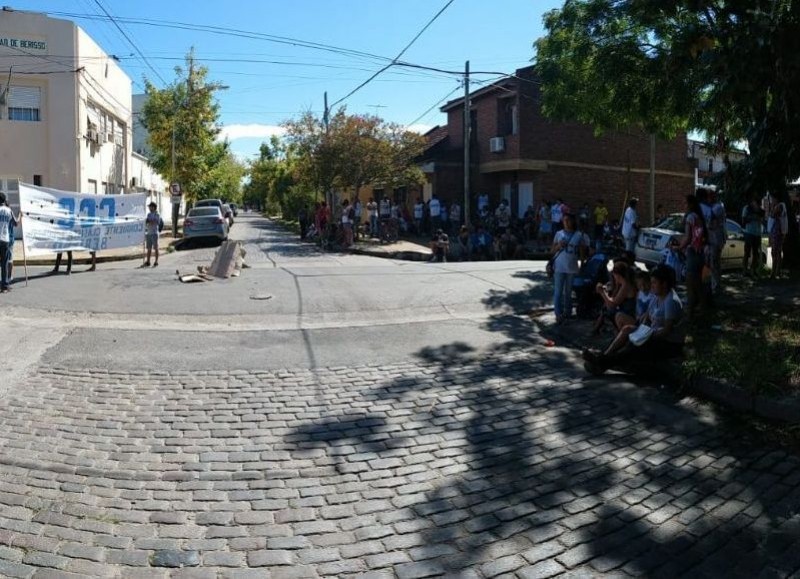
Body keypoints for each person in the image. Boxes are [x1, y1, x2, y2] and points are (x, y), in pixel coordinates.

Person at [585, 264, 684, 370]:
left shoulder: (671, 301)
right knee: (627, 330)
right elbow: (647, 315)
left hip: (667, 343)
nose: (652, 285)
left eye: (654, 282)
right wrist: (640, 326)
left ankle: (602, 362)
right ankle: (604, 357)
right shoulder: (657, 296)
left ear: (664, 284)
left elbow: (666, 331)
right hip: (652, 333)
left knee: (633, 346)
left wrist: (646, 335)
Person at [551, 213, 589, 324]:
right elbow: (552, 250)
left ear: (573, 221)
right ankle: (558, 314)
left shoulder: (578, 235)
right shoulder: (559, 234)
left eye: (568, 220)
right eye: (564, 220)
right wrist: (558, 246)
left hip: (572, 267)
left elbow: (582, 251)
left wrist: (582, 264)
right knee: (558, 291)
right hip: (559, 266)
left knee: (568, 291)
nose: (566, 222)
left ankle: (567, 312)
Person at [679, 194, 707, 317]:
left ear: (690, 204)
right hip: (700, 253)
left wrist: (678, 247)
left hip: (692, 252)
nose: (683, 206)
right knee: (698, 284)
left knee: (691, 284)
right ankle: (701, 308)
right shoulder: (698, 216)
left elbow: (688, 237)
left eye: (685, 203)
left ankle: (690, 312)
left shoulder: (690, 217)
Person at [593, 261, 637, 334]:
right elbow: (614, 297)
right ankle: (596, 329)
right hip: (623, 310)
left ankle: (598, 330)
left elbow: (613, 304)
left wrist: (602, 292)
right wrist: (616, 286)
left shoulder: (626, 285)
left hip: (628, 314)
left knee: (609, 309)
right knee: (606, 306)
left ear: (618, 275)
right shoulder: (622, 284)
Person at [768, 191, 789, 279]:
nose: (772, 200)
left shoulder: (780, 206)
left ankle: (774, 272)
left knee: (775, 252)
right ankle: (777, 271)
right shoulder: (782, 206)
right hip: (777, 231)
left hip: (777, 231)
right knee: (777, 252)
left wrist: (772, 207)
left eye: (772, 199)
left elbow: (772, 214)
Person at [741, 194, 764, 275]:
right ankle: (744, 270)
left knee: (755, 253)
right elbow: (743, 221)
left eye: (758, 203)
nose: (757, 204)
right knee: (747, 252)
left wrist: (760, 218)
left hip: (757, 233)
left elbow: (762, 220)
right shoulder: (746, 208)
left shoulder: (761, 210)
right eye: (756, 202)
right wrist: (752, 217)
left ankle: (753, 270)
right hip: (749, 233)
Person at [0, 192, 18, 293]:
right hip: (5, 239)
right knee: (4, 263)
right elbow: (15, 223)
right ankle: (4, 286)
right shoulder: (9, 210)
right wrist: (20, 216)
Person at [144, 201, 162, 267]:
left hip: (154, 233)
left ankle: (156, 261)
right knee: (149, 248)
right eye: (149, 207)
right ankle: (148, 261)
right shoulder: (148, 214)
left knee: (156, 248)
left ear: (153, 207)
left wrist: (150, 221)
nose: (149, 208)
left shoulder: (157, 214)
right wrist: (147, 221)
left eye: (150, 207)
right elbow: (147, 222)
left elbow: (156, 222)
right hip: (149, 232)